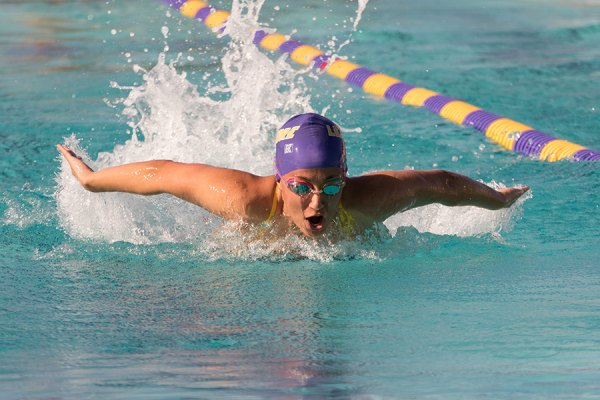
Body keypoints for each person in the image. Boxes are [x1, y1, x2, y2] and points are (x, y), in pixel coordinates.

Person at [57, 113, 529, 237]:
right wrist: (91, 180)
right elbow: (162, 173)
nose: (317, 200)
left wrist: (497, 199)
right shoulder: (244, 199)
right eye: (301, 186)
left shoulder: (370, 198)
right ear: (279, 180)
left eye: (331, 184)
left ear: (346, 177)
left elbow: (440, 183)